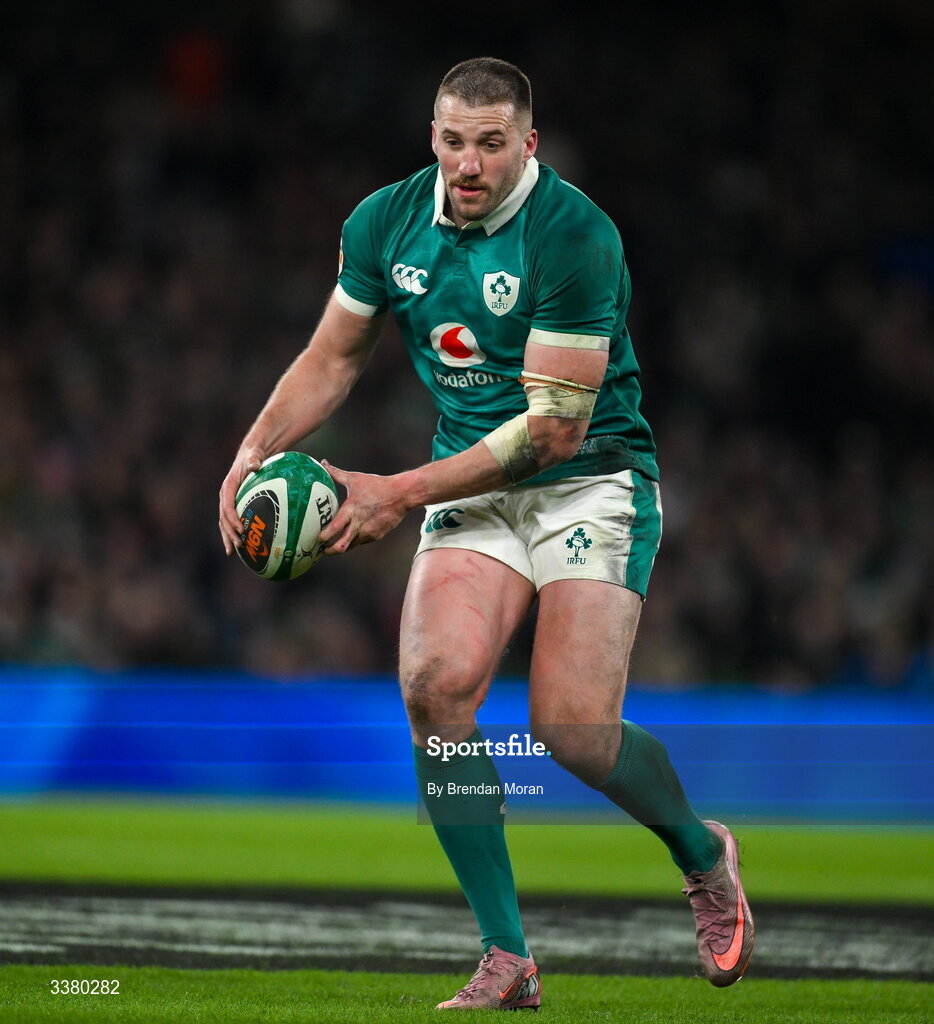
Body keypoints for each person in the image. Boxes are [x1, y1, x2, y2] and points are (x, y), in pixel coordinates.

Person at [219, 56, 754, 1011]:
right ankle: (507, 956)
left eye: (492, 144)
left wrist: (396, 492)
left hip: (590, 484)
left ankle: (701, 849)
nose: (469, 164)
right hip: (475, 488)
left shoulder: (576, 234)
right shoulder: (384, 221)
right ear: (434, 138)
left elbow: (553, 430)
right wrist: (254, 446)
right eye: (454, 141)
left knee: (572, 733)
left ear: (528, 145)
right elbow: (332, 359)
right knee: (434, 690)